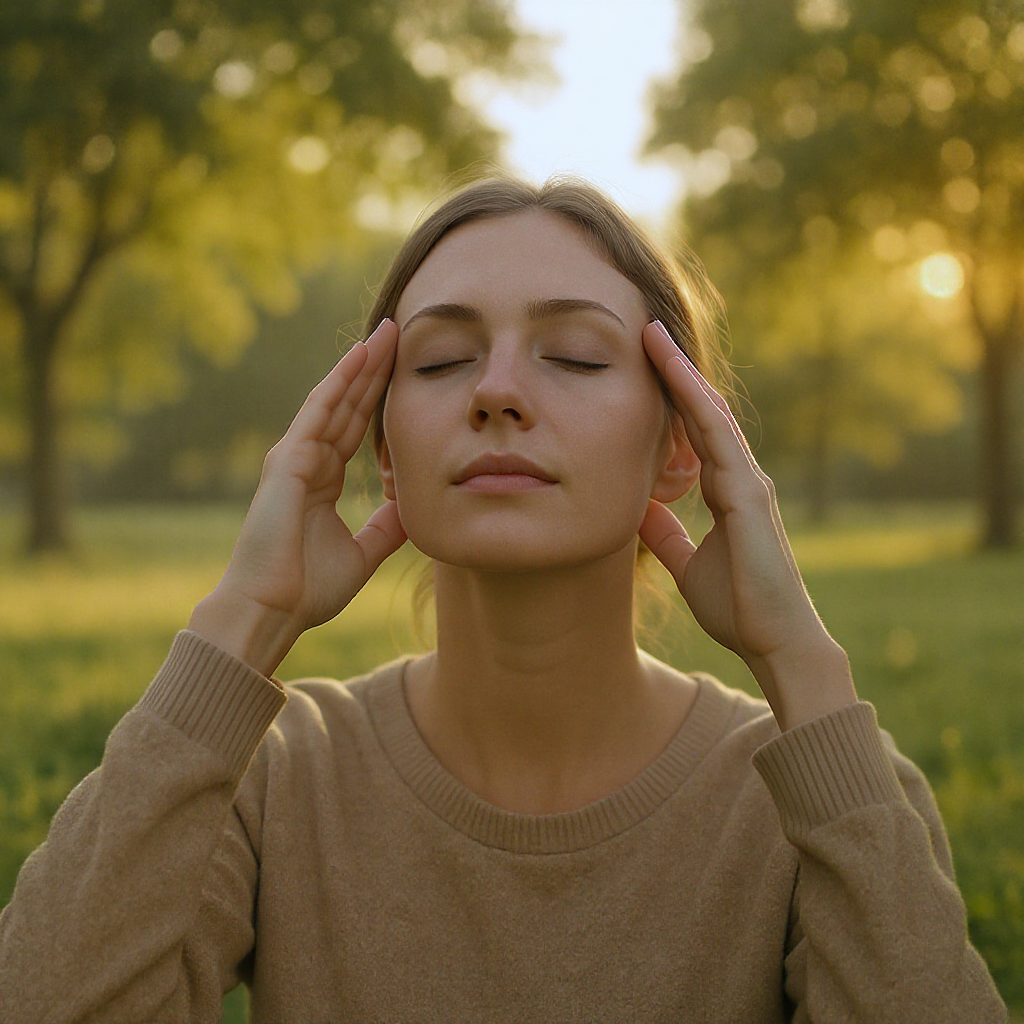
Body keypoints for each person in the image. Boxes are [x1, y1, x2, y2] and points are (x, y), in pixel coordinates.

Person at [0, 175, 1008, 1023]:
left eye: (572, 355)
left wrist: (802, 666)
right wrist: (241, 620)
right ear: (382, 449)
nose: (497, 391)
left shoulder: (816, 794)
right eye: (439, 361)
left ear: (678, 444)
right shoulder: (270, 781)